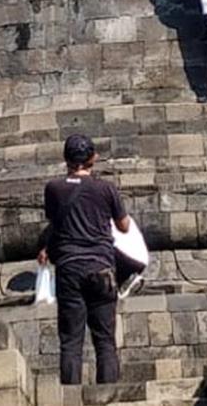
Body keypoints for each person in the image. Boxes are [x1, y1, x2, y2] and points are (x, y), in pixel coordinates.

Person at [40, 134, 129, 385]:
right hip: (101, 267)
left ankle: (70, 399)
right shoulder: (106, 188)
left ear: (66, 159)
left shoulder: (54, 188)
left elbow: (55, 222)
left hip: (69, 268)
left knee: (71, 342)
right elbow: (123, 226)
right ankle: (109, 399)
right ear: (94, 158)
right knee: (105, 341)